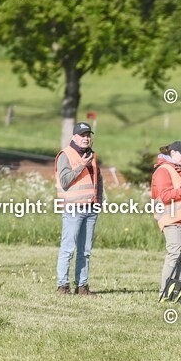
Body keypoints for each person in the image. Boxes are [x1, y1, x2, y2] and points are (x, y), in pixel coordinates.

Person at [55, 122, 104, 296]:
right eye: (82, 135)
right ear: (74, 137)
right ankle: (62, 286)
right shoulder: (65, 155)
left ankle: (82, 286)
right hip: (73, 209)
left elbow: (98, 180)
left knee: (85, 251)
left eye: (88, 135)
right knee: (68, 249)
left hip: (91, 208)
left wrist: (99, 201)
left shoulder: (92, 155)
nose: (86, 138)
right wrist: (82, 165)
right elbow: (65, 180)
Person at [151, 141, 181, 294]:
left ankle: (174, 289)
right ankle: (165, 291)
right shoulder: (163, 171)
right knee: (174, 255)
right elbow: (165, 196)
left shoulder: (179, 170)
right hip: (171, 218)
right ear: (173, 153)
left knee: (180, 256)